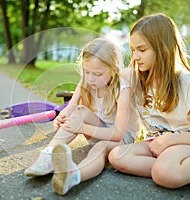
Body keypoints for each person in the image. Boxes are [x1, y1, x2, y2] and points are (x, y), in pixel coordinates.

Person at [108, 13, 190, 190]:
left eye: (142, 50)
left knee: (163, 174)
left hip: (189, 143)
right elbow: (104, 71)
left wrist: (170, 141)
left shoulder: (187, 83)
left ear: (163, 49)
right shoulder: (134, 77)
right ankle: (188, 171)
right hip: (156, 143)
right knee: (117, 156)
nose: (135, 57)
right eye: (133, 50)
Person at [24, 36, 140, 195]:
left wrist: (82, 127)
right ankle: (48, 155)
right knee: (80, 110)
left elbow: (118, 133)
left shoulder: (122, 89)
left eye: (98, 74)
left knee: (100, 147)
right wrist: (62, 117)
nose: (91, 78)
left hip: (121, 137)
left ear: (113, 70)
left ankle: (73, 176)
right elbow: (71, 107)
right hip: (97, 128)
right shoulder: (86, 81)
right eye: (87, 72)